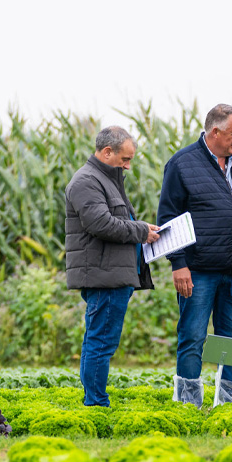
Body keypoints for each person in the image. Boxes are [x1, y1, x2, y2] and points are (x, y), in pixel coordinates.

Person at [157, 104, 232, 406]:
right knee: (193, 336)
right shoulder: (182, 164)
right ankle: (188, 403)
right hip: (197, 270)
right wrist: (178, 264)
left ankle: (230, 402)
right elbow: (169, 217)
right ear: (215, 132)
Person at [65, 125, 160, 407]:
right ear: (108, 152)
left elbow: (117, 220)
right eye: (125, 159)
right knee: (101, 342)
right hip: (103, 275)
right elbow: (101, 224)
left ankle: (94, 398)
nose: (128, 166)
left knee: (100, 339)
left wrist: (141, 228)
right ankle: (96, 403)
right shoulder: (86, 181)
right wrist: (141, 231)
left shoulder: (106, 178)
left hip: (113, 273)